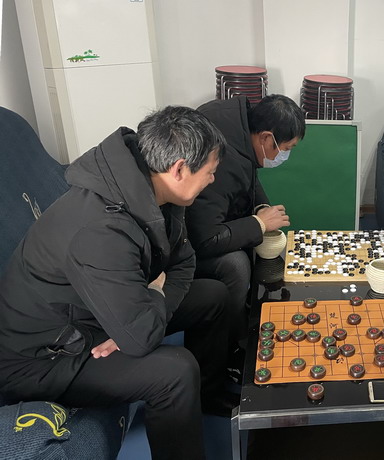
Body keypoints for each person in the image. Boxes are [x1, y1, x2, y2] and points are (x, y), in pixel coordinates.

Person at [0, 106, 233, 460]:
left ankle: (208, 399)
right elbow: (140, 339)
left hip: (100, 311)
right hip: (46, 357)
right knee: (176, 371)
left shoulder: (156, 190)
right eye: (210, 172)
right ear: (179, 169)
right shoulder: (99, 229)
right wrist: (144, 309)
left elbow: (184, 263)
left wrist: (149, 302)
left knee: (213, 295)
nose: (213, 180)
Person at [185, 94, 305, 355]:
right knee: (237, 263)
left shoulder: (237, 123)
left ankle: (245, 316)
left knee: (256, 235)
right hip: (187, 243)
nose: (286, 155)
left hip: (206, 221)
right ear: (266, 138)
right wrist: (258, 223)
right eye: (286, 148)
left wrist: (260, 208)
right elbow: (204, 239)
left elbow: (246, 173)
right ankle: (227, 348)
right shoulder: (219, 158)